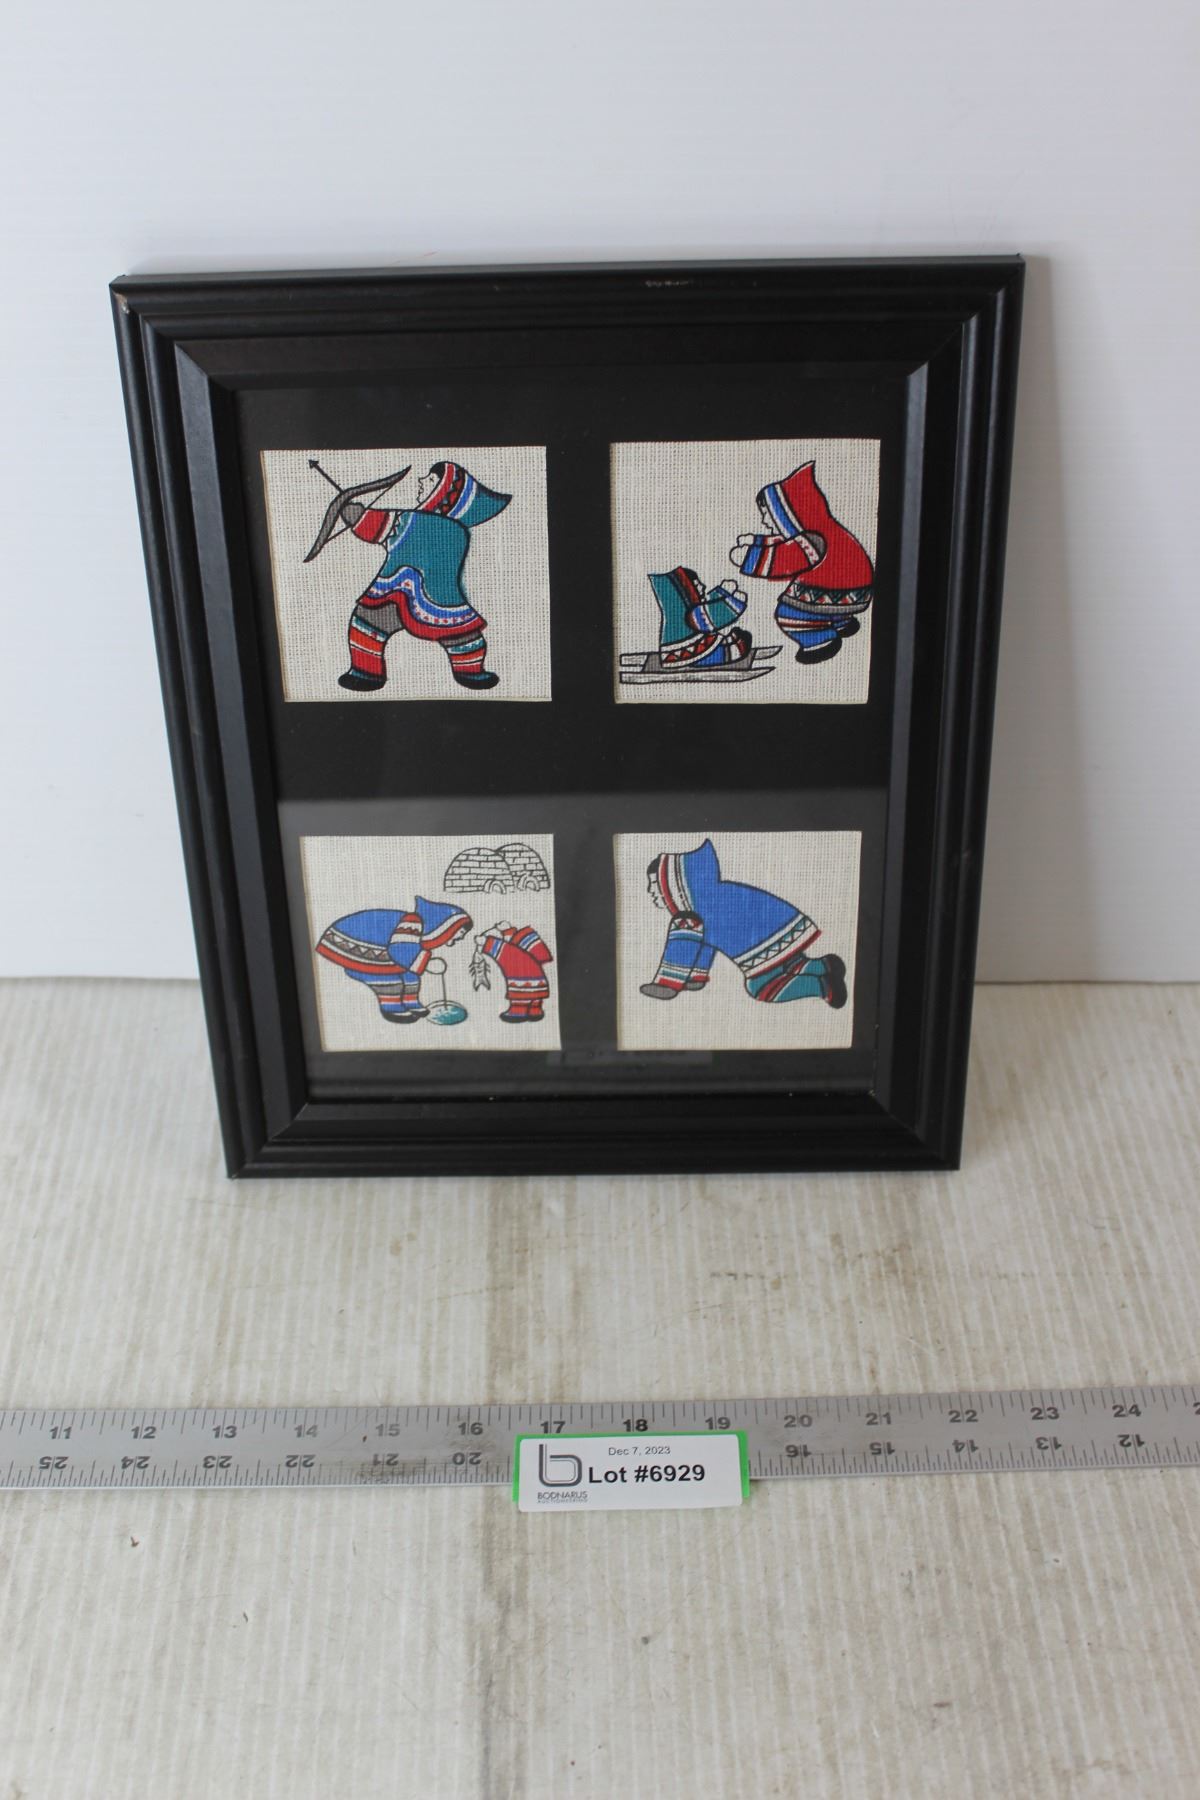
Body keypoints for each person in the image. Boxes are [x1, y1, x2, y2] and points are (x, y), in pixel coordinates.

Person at [335, 461, 509, 692]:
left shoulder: (415, 521)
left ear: (442, 493)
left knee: (366, 625)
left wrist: (355, 514)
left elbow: (374, 527)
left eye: (430, 480)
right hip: (443, 603)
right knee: (464, 638)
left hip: (392, 595)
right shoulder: (458, 531)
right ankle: (471, 672)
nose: (421, 481)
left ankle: (366, 674)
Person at [640, 838, 846, 1007]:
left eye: (654, 884)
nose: (651, 891)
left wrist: (668, 985)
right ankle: (821, 965)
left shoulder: (688, 917)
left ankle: (823, 987)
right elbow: (704, 943)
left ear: (672, 884)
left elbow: (683, 948)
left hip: (761, 944)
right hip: (781, 927)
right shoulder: (712, 897)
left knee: (762, 987)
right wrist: (696, 977)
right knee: (787, 963)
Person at [728, 462, 873, 665]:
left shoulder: (813, 540)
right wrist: (756, 541)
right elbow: (784, 542)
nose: (764, 521)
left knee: (788, 615)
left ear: (785, 514)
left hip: (834, 588)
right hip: (852, 587)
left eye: (767, 514)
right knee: (820, 609)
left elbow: (784, 559)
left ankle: (820, 642)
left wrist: (748, 558)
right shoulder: (822, 531)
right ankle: (841, 622)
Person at [316, 898, 472, 1023]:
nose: (457, 939)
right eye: (459, 934)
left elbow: (409, 956)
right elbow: (399, 952)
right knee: (389, 979)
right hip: (352, 946)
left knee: (411, 975)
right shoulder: (412, 922)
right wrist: (427, 964)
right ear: (447, 928)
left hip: (380, 950)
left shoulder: (421, 930)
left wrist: (423, 962)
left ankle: (411, 1002)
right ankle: (392, 1007)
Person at [472, 922, 554, 1023]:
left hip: (522, 984)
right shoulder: (526, 953)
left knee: (520, 1002)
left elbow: (503, 949)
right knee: (535, 1002)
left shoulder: (513, 953)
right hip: (540, 982)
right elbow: (512, 942)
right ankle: (535, 1011)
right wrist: (507, 930)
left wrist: (485, 942)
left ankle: (518, 1013)